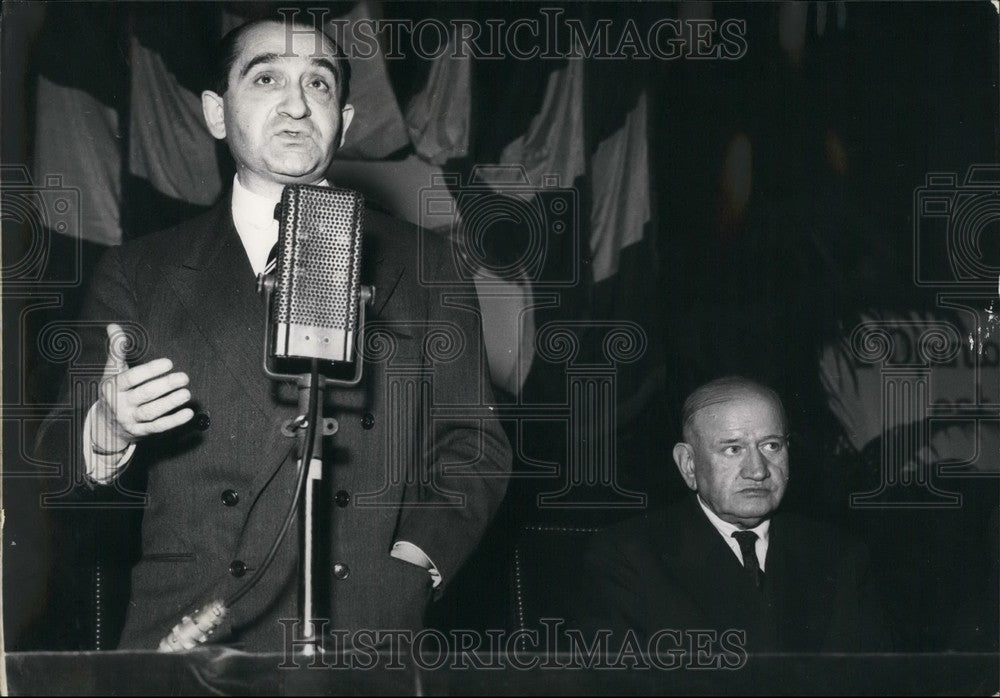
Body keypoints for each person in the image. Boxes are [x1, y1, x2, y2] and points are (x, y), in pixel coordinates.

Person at [36, 15, 511, 652]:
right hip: (190, 636)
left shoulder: (429, 266)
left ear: (342, 122)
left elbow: (473, 446)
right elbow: (49, 458)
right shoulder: (138, 272)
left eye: (318, 85)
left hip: (366, 632)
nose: (295, 104)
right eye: (266, 79)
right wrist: (107, 428)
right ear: (214, 112)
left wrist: (416, 564)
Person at [573, 376, 890, 654]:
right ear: (689, 465)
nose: (757, 470)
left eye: (771, 446)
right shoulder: (628, 556)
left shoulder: (840, 554)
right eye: (733, 449)